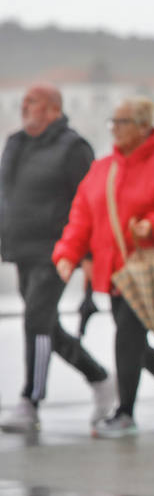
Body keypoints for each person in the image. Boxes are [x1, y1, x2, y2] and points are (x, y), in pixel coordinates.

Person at [52, 97, 154, 439]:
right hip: (115, 273)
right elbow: (81, 218)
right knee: (134, 344)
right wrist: (67, 254)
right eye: (114, 122)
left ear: (143, 127)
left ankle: (125, 413)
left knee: (127, 338)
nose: (115, 129)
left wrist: (153, 225)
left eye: (123, 122)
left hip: (146, 272)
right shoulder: (102, 169)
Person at [0, 85, 117, 433]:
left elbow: (92, 202)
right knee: (47, 327)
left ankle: (31, 401)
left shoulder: (74, 148)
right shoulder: (15, 143)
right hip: (21, 249)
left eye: (32, 102)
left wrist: (89, 256)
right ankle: (99, 378)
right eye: (24, 102)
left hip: (58, 251)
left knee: (36, 319)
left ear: (53, 109)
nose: (24, 107)